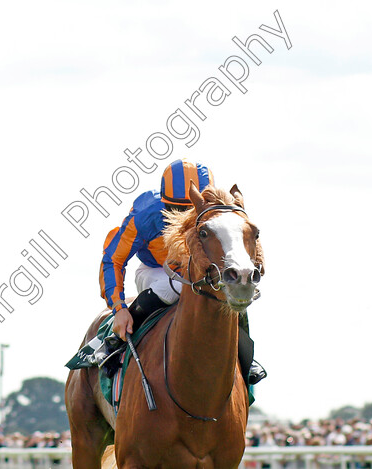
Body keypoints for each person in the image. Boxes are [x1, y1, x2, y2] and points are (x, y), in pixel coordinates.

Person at [97, 159, 266, 384]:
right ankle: (115, 341)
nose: (184, 216)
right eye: (176, 209)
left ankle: (245, 356)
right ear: (164, 203)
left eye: (193, 208)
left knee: (231, 289)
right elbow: (113, 259)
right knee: (177, 285)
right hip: (156, 269)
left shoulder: (221, 215)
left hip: (200, 270)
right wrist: (118, 308)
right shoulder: (146, 214)